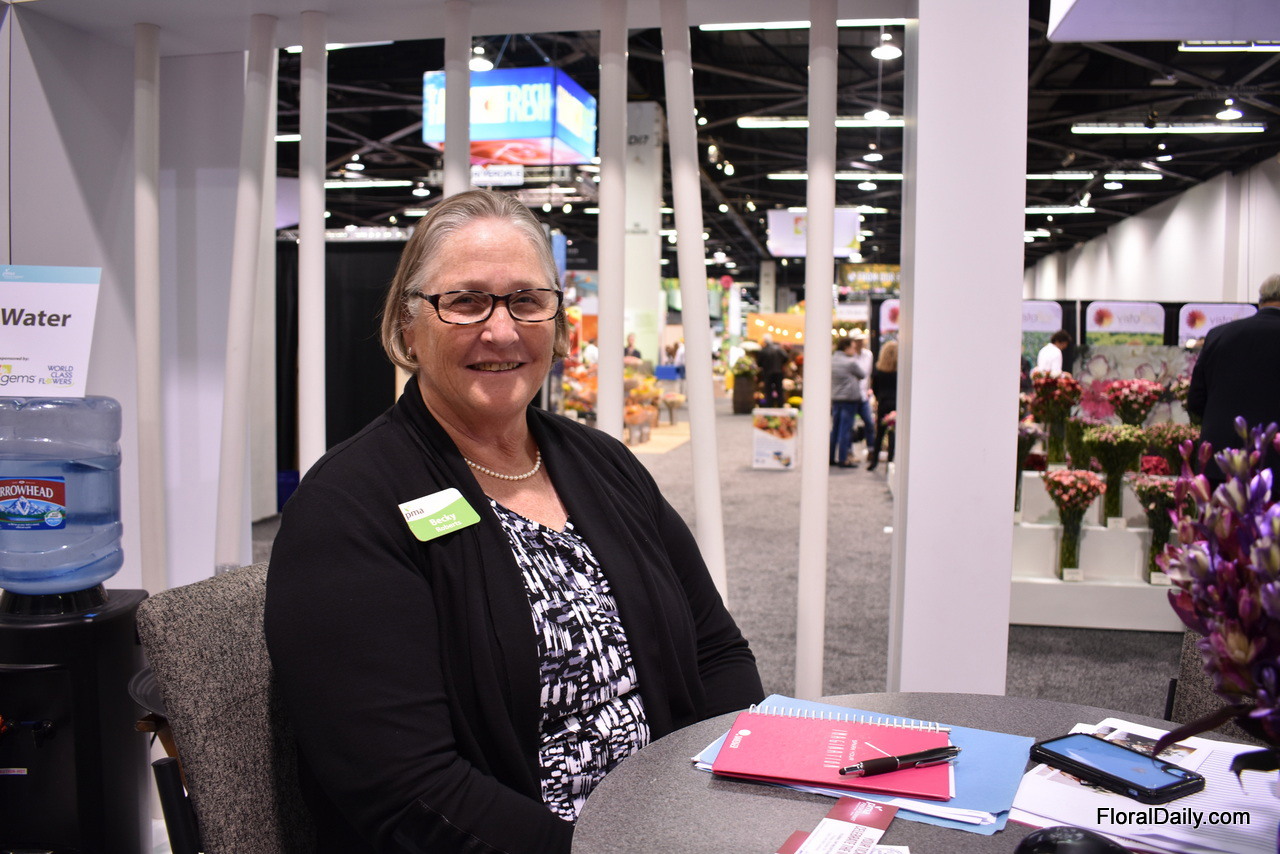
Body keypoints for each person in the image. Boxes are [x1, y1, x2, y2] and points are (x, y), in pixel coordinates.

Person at [264, 190, 764, 854]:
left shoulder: (602, 464)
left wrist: (727, 807)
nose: (502, 332)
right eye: (466, 301)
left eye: (527, 301)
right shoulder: (349, 507)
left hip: (673, 826)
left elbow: (717, 652)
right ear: (408, 326)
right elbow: (408, 790)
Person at [1187, 273, 1280, 484]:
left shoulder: (1218, 335)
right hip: (1273, 466)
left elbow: (1196, 400)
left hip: (1219, 462)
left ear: (1260, 300)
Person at [829, 336, 867, 468]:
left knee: (835, 429)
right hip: (849, 400)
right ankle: (843, 458)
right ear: (846, 347)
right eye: (853, 347)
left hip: (836, 399)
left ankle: (831, 457)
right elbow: (862, 374)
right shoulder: (851, 362)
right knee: (845, 430)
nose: (854, 350)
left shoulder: (832, 360)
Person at [869, 339, 899, 472]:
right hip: (895, 404)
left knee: (880, 433)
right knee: (892, 433)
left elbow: (874, 388)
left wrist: (879, 398)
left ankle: (874, 461)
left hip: (883, 403)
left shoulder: (879, 370)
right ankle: (890, 462)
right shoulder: (899, 371)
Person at [849, 331, 877, 459]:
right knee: (849, 425)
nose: (859, 343)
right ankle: (849, 452)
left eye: (861, 340)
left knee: (869, 422)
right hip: (851, 396)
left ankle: (871, 449)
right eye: (857, 341)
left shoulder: (868, 355)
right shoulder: (849, 356)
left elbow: (868, 375)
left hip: (864, 395)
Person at [756, 334, 787, 407]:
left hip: (768, 373)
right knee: (779, 389)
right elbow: (786, 357)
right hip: (778, 372)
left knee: (768, 390)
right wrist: (780, 364)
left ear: (765, 341)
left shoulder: (763, 350)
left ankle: (769, 405)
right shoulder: (778, 349)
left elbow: (759, 363)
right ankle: (780, 405)